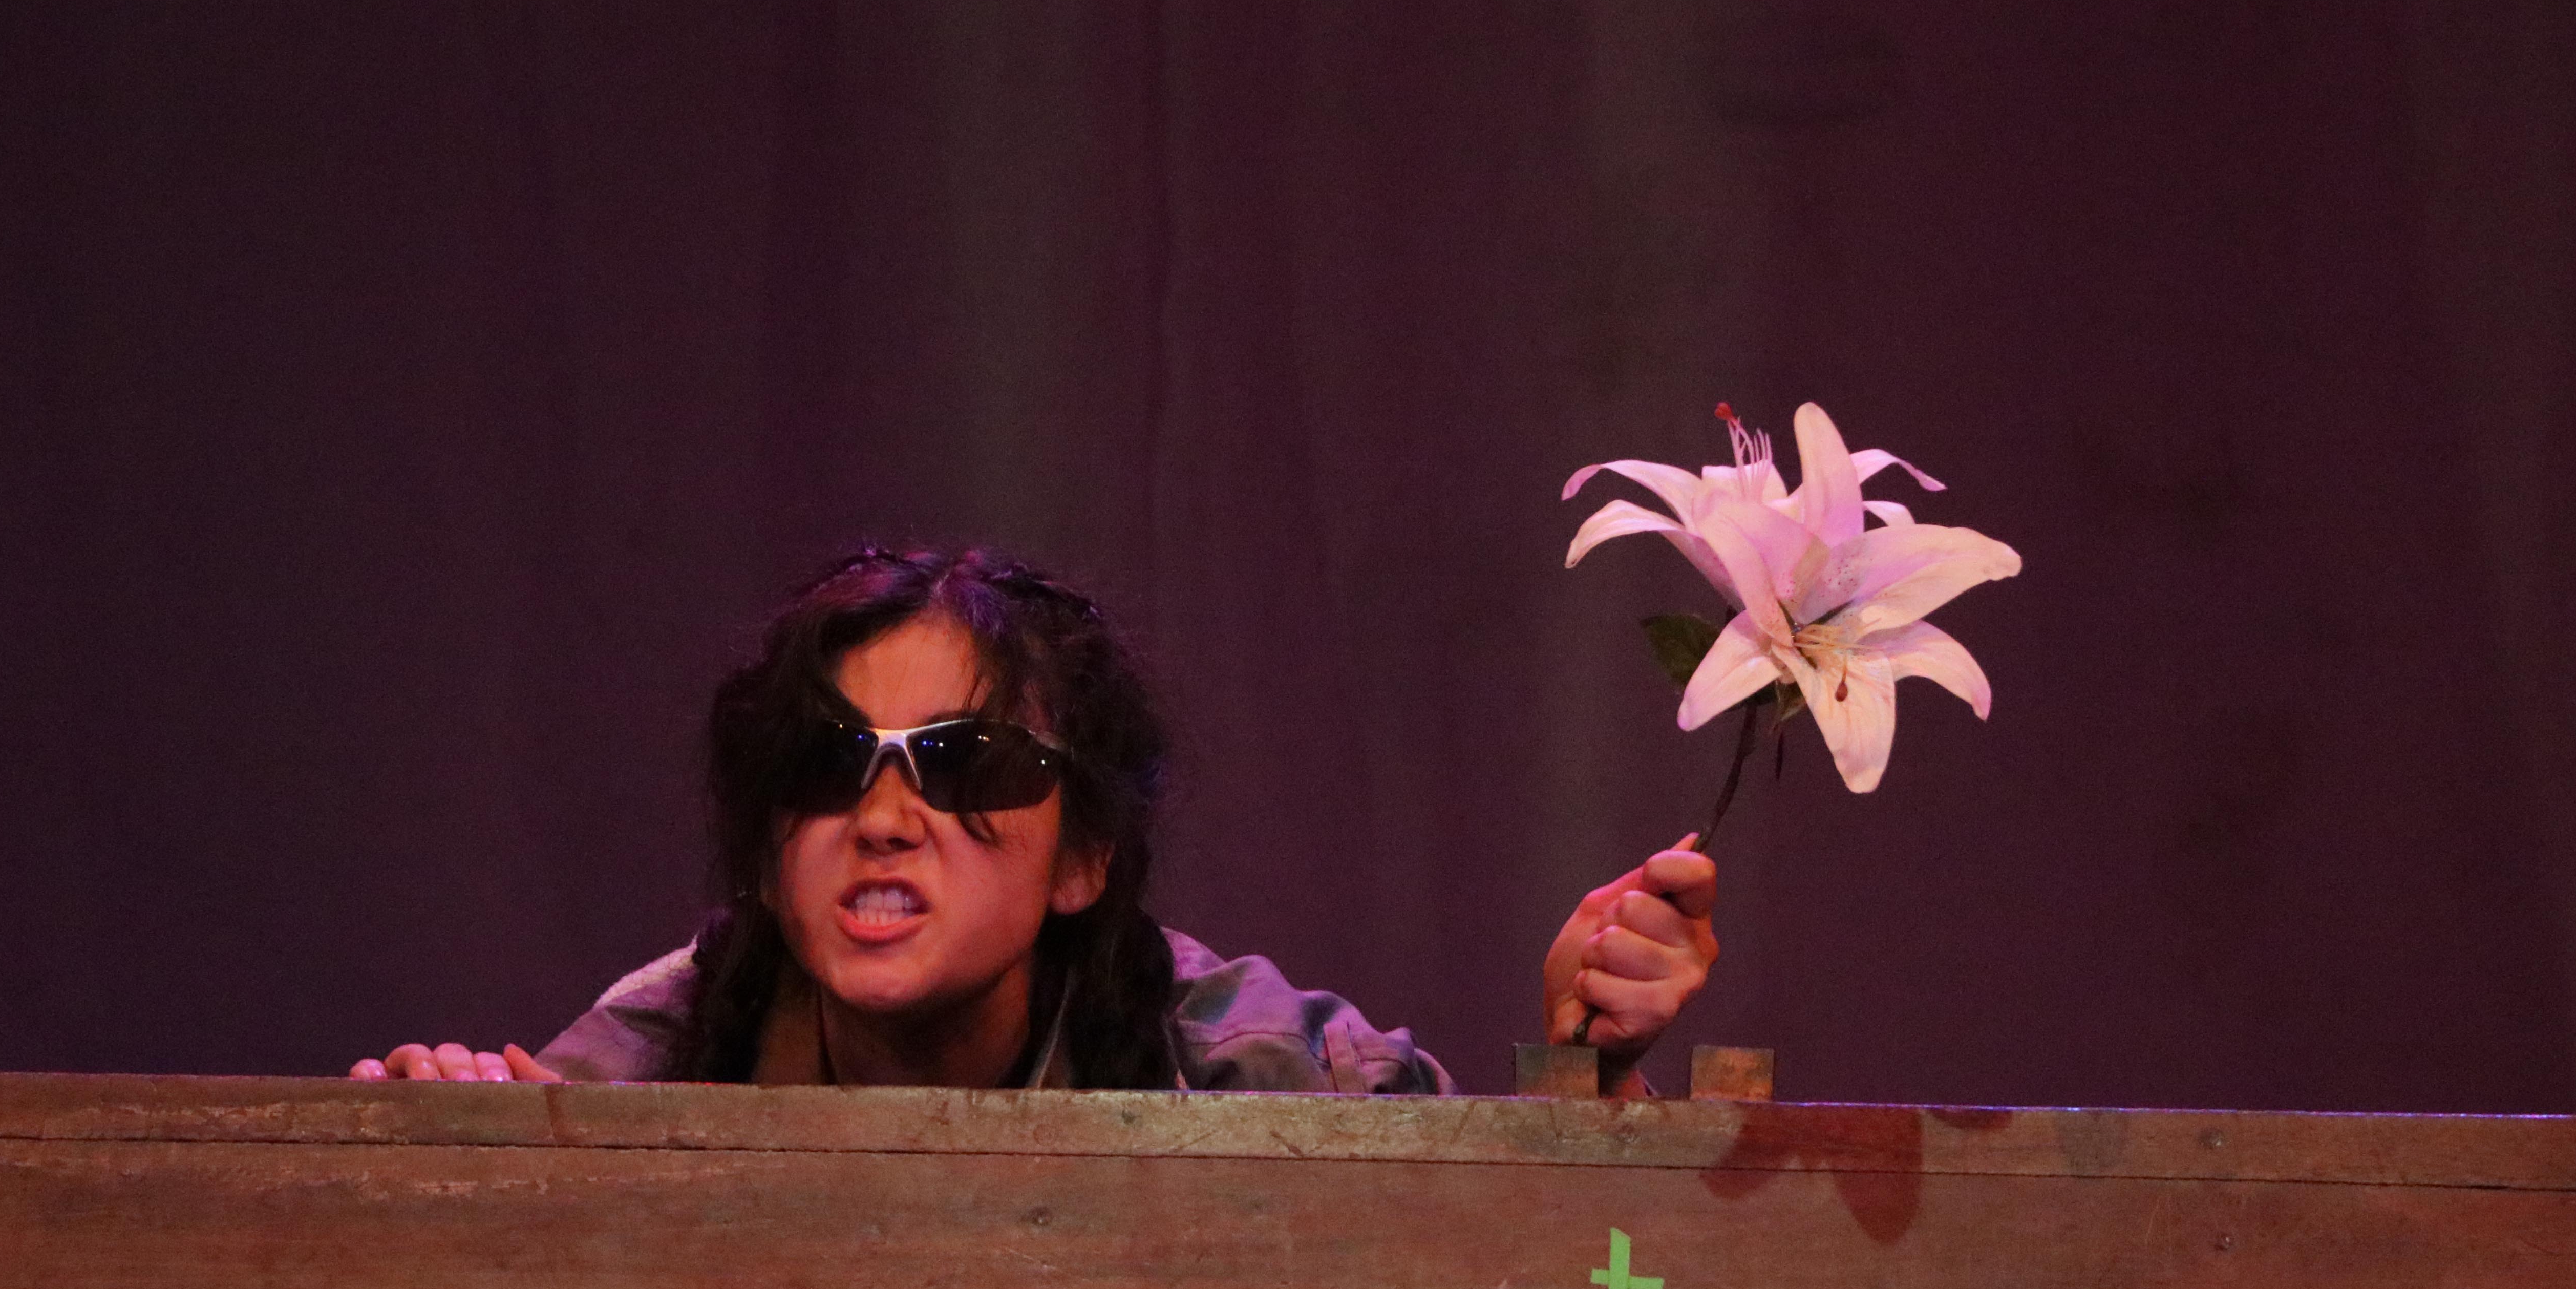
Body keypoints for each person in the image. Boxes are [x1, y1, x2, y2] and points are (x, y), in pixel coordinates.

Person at [352, 545, 1716, 1093]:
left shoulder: (1238, 1058)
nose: (885, 818)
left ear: (1084, 860)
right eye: (830, 763)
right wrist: (444, 1159)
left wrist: (1585, 1066)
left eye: (965, 764)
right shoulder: (671, 1042)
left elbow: (1506, 1261)